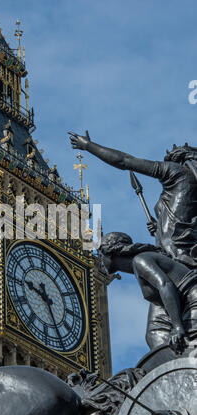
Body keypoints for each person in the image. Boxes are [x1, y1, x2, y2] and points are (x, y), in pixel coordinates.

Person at [69, 131, 197, 349]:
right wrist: (159, 229)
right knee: (153, 335)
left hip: (177, 269)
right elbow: (178, 224)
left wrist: (89, 146)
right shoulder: (184, 187)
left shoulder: (177, 173)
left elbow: (125, 161)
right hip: (173, 260)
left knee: (157, 333)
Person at [99, 232, 197, 354]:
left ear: (110, 253)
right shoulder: (139, 263)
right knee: (153, 336)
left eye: (100, 254)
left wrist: (177, 327)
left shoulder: (140, 260)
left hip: (193, 299)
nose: (100, 259)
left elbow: (165, 285)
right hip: (185, 303)